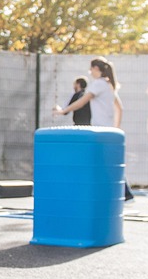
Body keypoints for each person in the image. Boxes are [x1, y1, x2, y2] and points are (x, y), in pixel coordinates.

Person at [55, 58, 134, 200]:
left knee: (98, 161)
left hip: (99, 130)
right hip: (108, 129)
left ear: (96, 69)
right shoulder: (109, 85)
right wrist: (116, 127)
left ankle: (125, 193)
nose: (90, 72)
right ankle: (124, 193)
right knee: (108, 162)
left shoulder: (98, 84)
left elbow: (82, 101)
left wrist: (63, 111)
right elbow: (119, 108)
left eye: (91, 69)